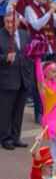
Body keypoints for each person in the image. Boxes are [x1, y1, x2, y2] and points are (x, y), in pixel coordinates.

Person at [0, 10, 33, 150]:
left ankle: (15, 136)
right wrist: (4, 58)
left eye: (12, 22)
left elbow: (30, 53)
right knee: (5, 111)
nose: (9, 25)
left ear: (18, 22)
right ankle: (5, 138)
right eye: (7, 22)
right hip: (7, 79)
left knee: (19, 111)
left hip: (23, 78)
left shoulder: (25, 34)